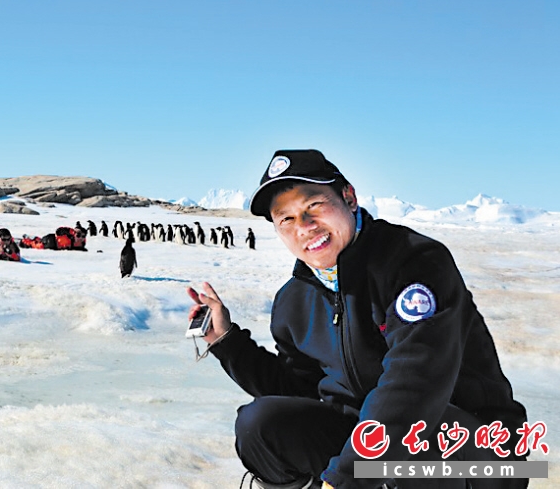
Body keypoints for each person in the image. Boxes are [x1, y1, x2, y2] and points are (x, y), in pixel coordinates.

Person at [186, 150, 528, 489]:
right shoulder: (294, 301)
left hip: (476, 452)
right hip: (373, 450)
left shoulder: (413, 262)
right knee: (260, 424)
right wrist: (226, 341)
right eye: (286, 219)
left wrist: (345, 478)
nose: (304, 227)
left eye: (313, 206)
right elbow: (299, 390)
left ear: (348, 197)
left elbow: (415, 383)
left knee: (420, 428)